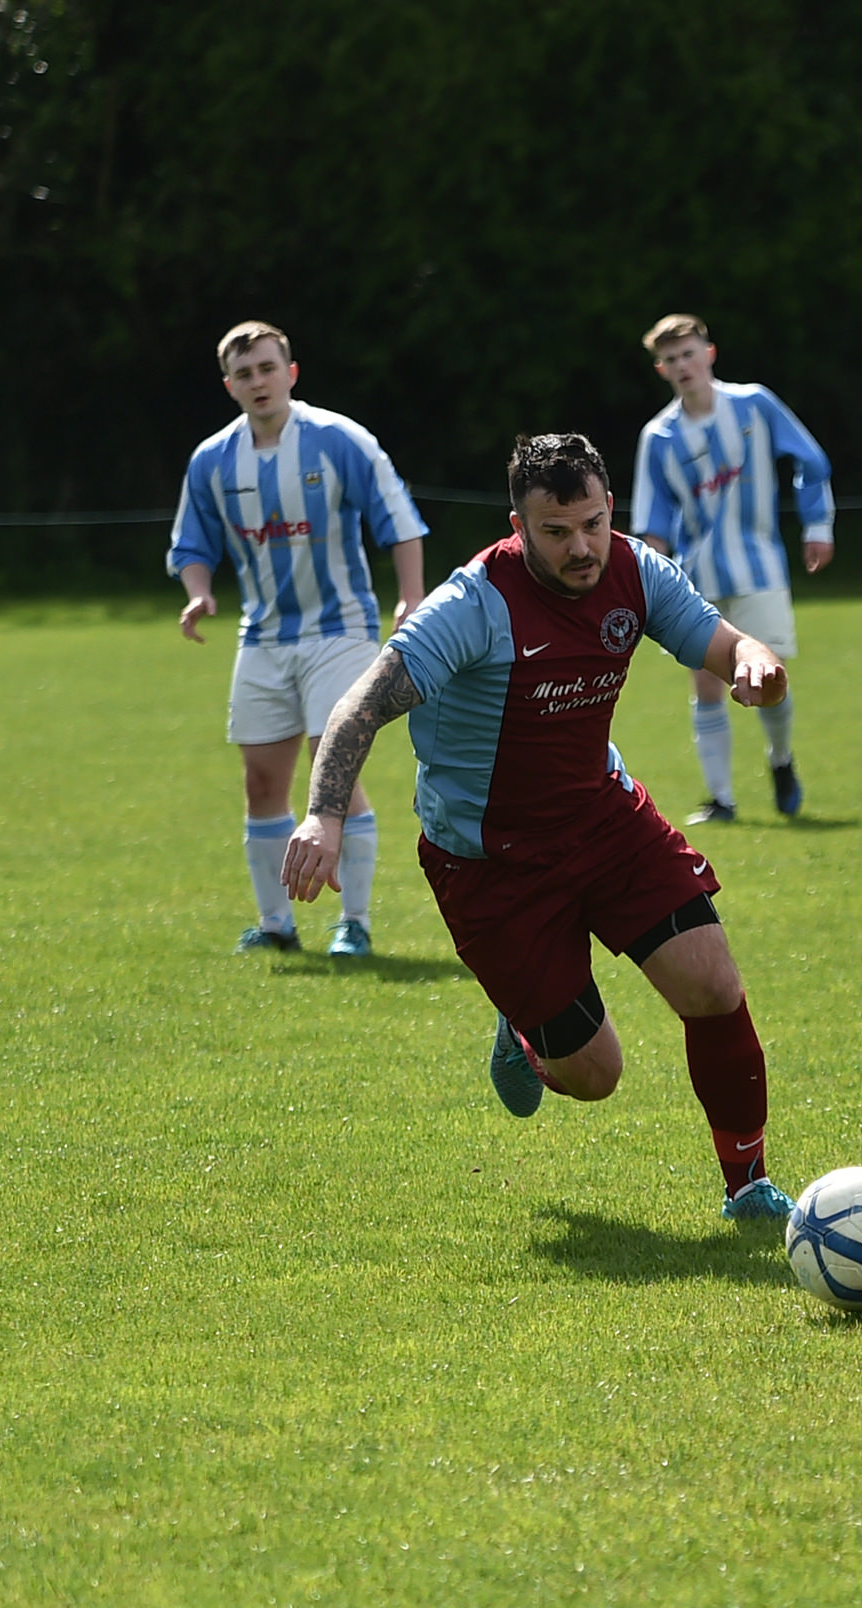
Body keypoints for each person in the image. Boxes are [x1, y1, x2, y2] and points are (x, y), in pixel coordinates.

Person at [281, 433, 799, 1221]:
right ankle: (523, 1031)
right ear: (518, 525)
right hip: (489, 864)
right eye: (555, 532)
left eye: (592, 524)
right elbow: (359, 706)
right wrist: (323, 817)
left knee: (712, 983)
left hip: (604, 821)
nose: (581, 546)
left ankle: (749, 1186)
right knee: (595, 1077)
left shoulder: (637, 571)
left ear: (610, 508)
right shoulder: (472, 605)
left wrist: (756, 665)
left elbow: (726, 645)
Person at [169, 320, 427, 957]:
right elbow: (191, 544)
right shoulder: (212, 460)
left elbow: (398, 520)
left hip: (341, 629)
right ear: (229, 386)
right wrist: (198, 592)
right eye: (244, 373)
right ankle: (276, 925)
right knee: (261, 782)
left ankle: (353, 923)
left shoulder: (339, 439)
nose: (258, 381)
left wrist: (411, 596)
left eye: (267, 368)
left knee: (332, 765)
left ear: (291, 373)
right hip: (262, 636)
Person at [631, 314, 835, 823]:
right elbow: (652, 521)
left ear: (710, 354)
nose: (683, 365)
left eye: (689, 353)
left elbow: (811, 460)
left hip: (759, 568)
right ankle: (721, 799)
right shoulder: (658, 436)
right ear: (661, 370)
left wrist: (818, 526)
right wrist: (652, 583)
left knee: (769, 677)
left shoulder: (754, 404)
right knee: (705, 685)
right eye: (671, 359)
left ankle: (781, 760)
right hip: (696, 577)